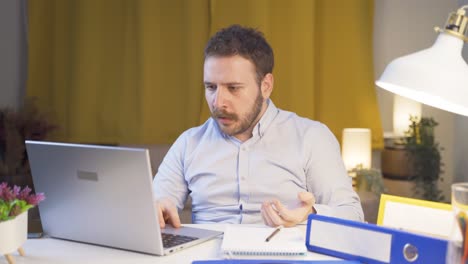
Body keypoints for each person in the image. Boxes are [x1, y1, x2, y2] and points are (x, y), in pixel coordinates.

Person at [153, 24, 364, 228]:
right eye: (211, 87)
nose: (218, 102)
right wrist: (157, 209)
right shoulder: (189, 143)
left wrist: (310, 215)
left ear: (266, 86)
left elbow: (352, 215)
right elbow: (155, 204)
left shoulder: (312, 137)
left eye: (233, 88)